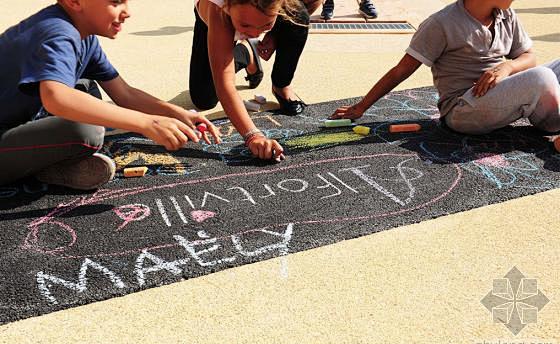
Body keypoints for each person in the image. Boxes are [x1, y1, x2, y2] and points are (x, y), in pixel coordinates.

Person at [0, 0, 221, 191]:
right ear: (74, 1)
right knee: (86, 129)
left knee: (87, 90)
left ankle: (46, 166)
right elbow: (56, 98)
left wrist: (179, 114)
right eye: (115, 2)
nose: (127, 12)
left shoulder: (83, 36)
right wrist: (147, 123)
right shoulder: (58, 33)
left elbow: (124, 93)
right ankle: (47, 166)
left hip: (16, 125)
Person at [331, 0, 560, 136]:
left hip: (496, 96)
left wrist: (507, 67)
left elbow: (529, 56)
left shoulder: (505, 15)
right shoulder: (442, 23)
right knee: (542, 76)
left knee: (552, 68)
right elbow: (402, 70)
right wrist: (361, 107)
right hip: (462, 110)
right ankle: (554, 123)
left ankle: (552, 116)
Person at [190, 0, 321, 161]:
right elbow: (225, 83)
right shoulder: (218, 10)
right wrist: (252, 136)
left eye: (265, 25)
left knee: (299, 16)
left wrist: (274, 34)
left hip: (265, 10)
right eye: (246, 26)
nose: (254, 34)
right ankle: (247, 52)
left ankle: (282, 84)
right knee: (204, 98)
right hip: (215, 21)